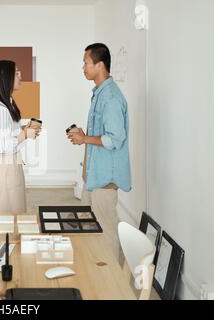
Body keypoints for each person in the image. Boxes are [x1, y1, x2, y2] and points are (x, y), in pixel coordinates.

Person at [67, 43, 131, 258]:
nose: (83, 67)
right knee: (87, 225)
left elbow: (116, 139)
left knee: (106, 231)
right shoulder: (100, 94)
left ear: (100, 65)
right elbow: (102, 134)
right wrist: (85, 135)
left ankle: (110, 283)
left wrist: (85, 138)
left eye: (85, 63)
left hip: (104, 178)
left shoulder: (111, 97)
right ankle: (93, 272)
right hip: (94, 176)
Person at [0, 60, 41, 214]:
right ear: (5, 78)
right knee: (7, 217)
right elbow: (5, 145)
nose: (20, 75)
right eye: (16, 73)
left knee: (14, 213)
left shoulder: (6, 103)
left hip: (8, 165)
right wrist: (26, 134)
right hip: (4, 167)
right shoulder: (0, 109)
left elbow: (6, 133)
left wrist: (24, 129)